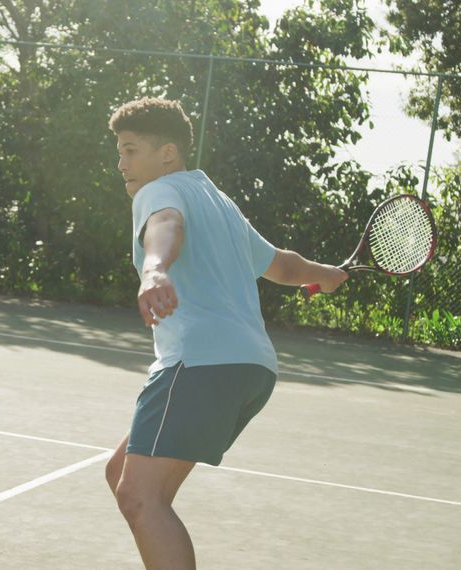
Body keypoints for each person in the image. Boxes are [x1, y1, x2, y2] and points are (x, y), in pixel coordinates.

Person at [104, 97, 349, 569]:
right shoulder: (217, 200)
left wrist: (154, 269)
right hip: (251, 369)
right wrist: (328, 273)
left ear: (168, 153)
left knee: (140, 496)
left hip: (201, 363)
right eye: (120, 151)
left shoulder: (158, 192)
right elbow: (281, 265)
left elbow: (165, 225)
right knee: (123, 473)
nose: (122, 163)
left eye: (131, 150)